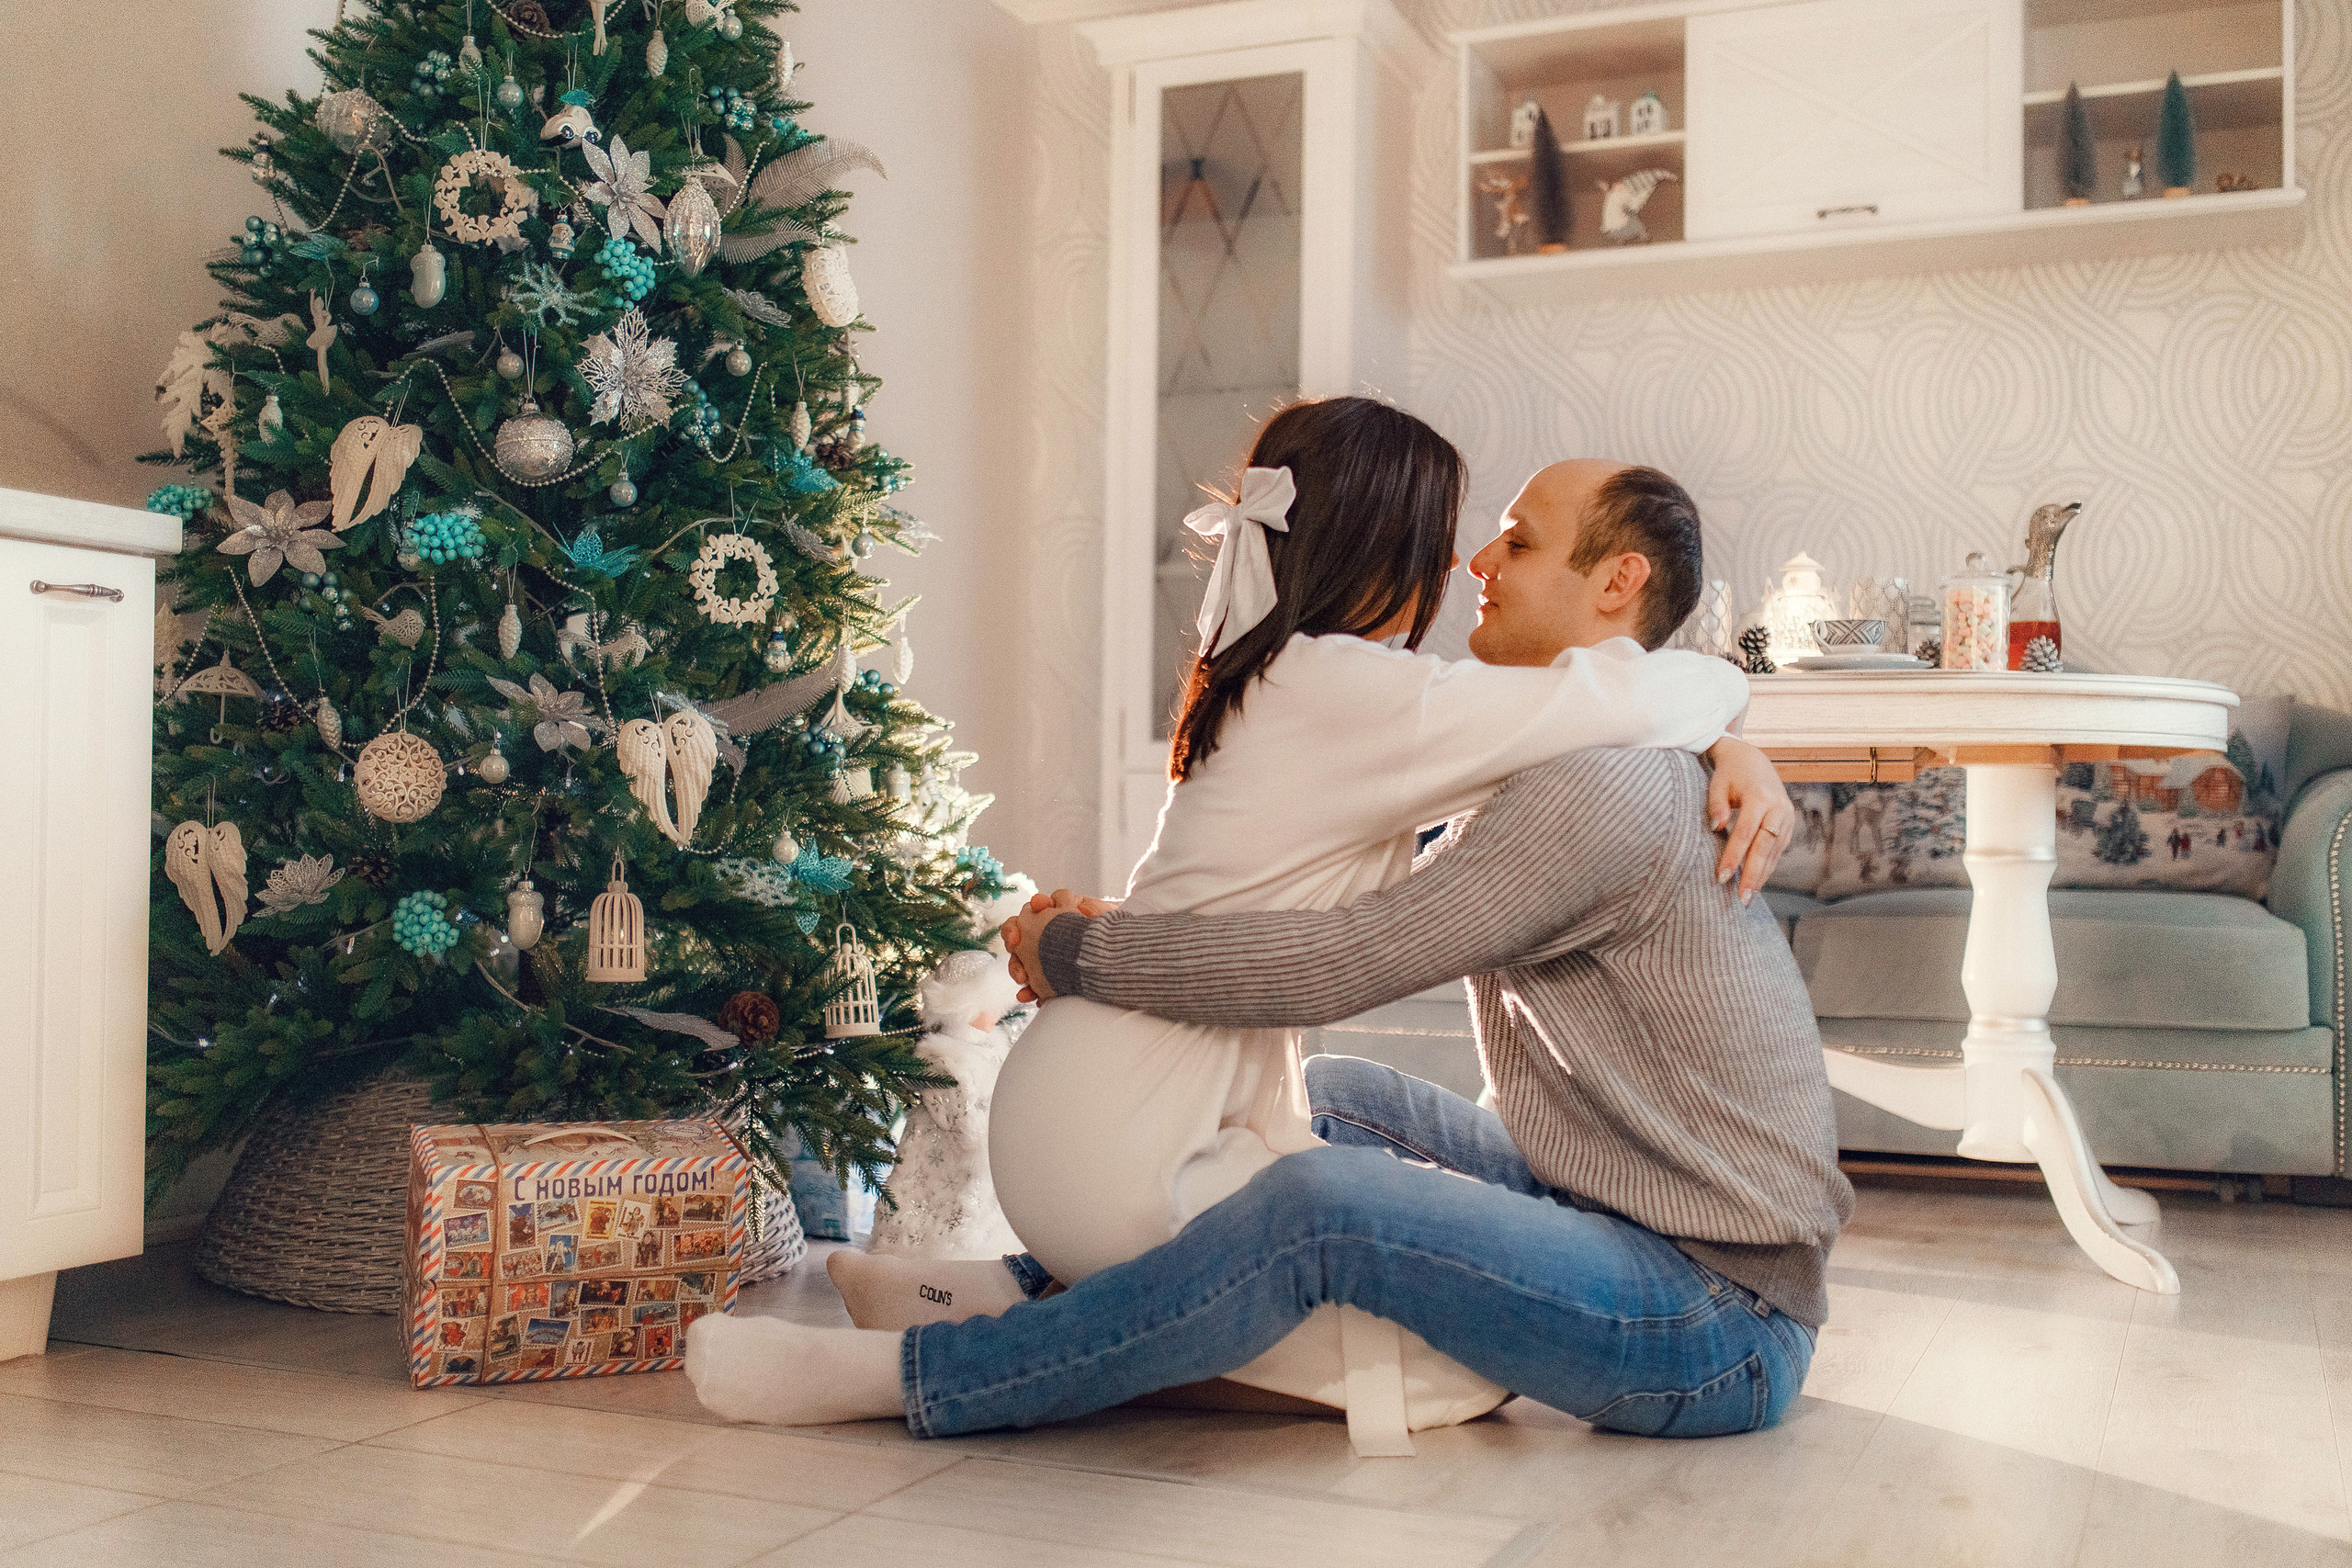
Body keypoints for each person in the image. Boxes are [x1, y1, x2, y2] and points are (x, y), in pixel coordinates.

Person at [684, 413, 1843, 1445]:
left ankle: (927, 1374)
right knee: (1332, 1098)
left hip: (1711, 1314)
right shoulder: (1572, 757)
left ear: (1615, 583)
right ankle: (1028, 1289)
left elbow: (1345, 957)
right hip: (1614, 1206)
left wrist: (1083, 952)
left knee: (1319, 1205)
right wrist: (1726, 736)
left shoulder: (1600, 788)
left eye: (1519, 542)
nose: (1474, 563)